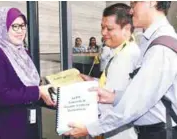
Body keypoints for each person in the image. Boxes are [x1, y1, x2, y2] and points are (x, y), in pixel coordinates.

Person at [64, 1, 177, 139]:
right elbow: (142, 92)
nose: (130, 10)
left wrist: (91, 128)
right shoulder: (151, 41)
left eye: (134, 2)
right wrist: (113, 96)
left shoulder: (160, 48)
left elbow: (135, 103)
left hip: (159, 133)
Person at [65, 3, 141, 139]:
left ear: (127, 29)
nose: (103, 33)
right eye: (102, 27)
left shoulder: (128, 56)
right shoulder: (121, 51)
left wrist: (89, 129)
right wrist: (92, 81)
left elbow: (120, 105)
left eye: (109, 29)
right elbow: (113, 88)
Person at [0, 7, 55, 139]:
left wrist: (48, 97)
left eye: (23, 26)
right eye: (15, 26)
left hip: (26, 125)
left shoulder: (22, 53)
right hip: (4, 127)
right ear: (2, 27)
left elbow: (27, 89)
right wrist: (38, 92)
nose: (20, 31)